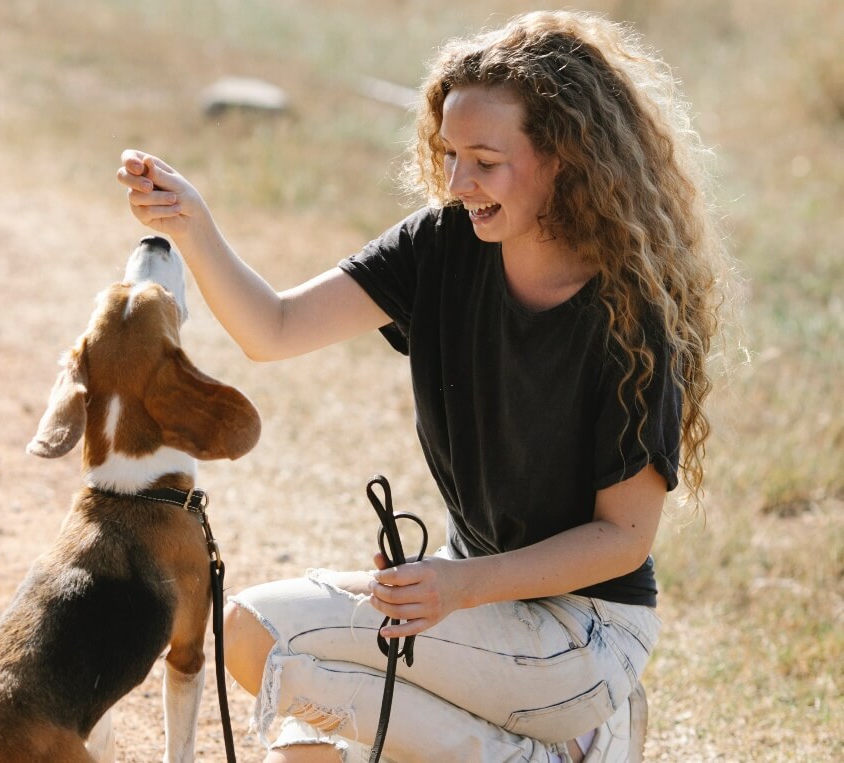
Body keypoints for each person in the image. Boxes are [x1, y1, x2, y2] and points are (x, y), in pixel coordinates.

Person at [117, 10, 732, 762]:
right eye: (448, 154)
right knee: (290, 718)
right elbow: (273, 328)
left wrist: (458, 584)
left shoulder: (630, 314)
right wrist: (193, 225)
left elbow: (625, 538)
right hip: (469, 605)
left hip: (584, 635)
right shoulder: (441, 244)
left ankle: (575, 746)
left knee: (265, 638)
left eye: (484, 160)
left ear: (563, 158)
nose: (457, 181)